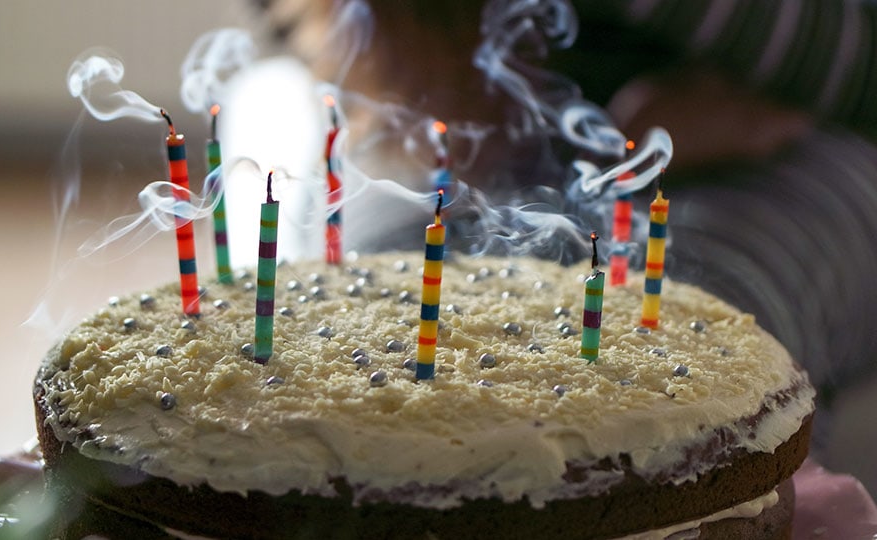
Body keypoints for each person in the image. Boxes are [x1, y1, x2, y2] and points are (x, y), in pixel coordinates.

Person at [259, 0, 877, 474]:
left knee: (693, 363)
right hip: (449, 130)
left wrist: (677, 124)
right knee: (373, 335)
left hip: (772, 134)